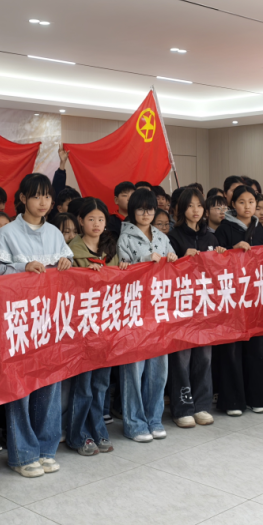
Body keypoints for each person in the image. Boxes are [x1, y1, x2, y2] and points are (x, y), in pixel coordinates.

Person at [0, 173, 73, 477]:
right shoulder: (7, 233)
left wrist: (67, 263)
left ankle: (46, 449)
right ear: (23, 198)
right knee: (21, 387)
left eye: (47, 196)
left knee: (50, 383)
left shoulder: (54, 232)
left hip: (51, 318)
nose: (43, 202)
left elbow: (69, 269)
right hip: (20, 320)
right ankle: (23, 454)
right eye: (36, 196)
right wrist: (22, 267)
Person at [67, 198, 128, 454]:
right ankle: (78, 435)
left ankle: (98, 430)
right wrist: (84, 274)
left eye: (101, 219)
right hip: (83, 327)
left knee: (101, 384)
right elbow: (66, 285)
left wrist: (123, 269)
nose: (96, 224)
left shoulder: (111, 247)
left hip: (107, 326)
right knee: (83, 385)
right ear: (80, 221)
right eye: (91, 219)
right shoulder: (72, 251)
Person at [117, 187, 178, 440]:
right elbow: (122, 274)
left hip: (159, 308)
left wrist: (172, 258)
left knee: (158, 368)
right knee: (134, 368)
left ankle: (154, 419)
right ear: (132, 211)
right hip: (134, 310)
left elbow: (174, 269)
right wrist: (145, 258)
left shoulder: (162, 237)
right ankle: (134, 423)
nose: (146, 214)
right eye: (141, 209)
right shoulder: (124, 238)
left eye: (150, 209)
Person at [166, 188, 223, 427]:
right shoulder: (173, 237)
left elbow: (219, 273)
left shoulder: (211, 237)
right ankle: (182, 407)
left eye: (199, 205)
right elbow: (166, 273)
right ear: (181, 209)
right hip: (181, 307)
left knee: (204, 358)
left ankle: (201, 405)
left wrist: (221, 256)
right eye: (190, 206)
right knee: (182, 358)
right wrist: (182, 259)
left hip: (204, 306)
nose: (196, 210)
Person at [215, 185, 263, 414]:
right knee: (232, 349)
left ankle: (258, 397)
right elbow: (216, 260)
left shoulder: (259, 228)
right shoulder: (224, 228)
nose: (247, 207)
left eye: (251, 202)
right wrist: (233, 250)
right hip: (231, 296)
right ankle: (233, 401)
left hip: (254, 296)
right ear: (233, 204)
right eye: (242, 202)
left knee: (258, 348)